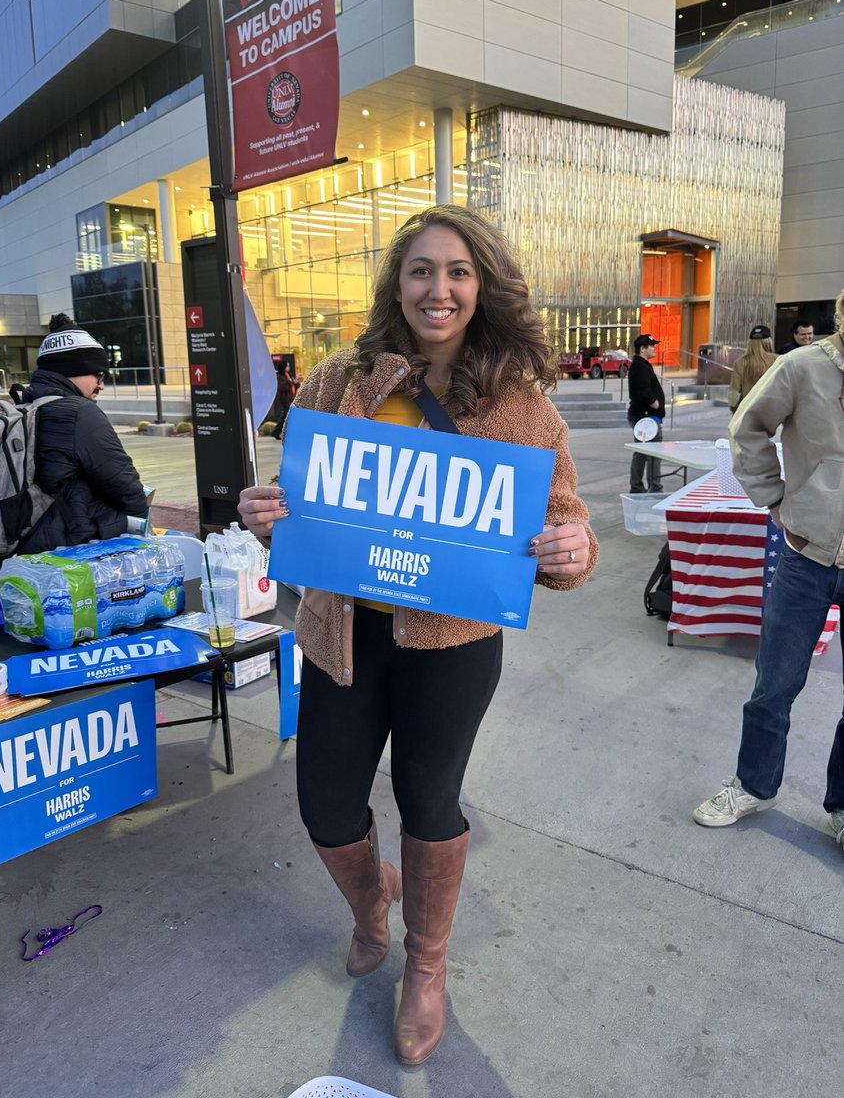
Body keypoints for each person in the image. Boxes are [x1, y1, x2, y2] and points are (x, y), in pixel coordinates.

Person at [237, 205, 597, 1065]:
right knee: (325, 805)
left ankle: (425, 965)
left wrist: (571, 550)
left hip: (453, 644)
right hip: (341, 635)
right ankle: (372, 908)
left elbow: (566, 530)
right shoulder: (334, 381)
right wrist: (264, 515)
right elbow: (295, 505)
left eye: (458, 272)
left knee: (429, 802)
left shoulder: (523, 407)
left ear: (483, 287)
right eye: (423, 271)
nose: (440, 289)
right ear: (397, 285)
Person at [692, 289, 844, 853]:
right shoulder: (803, 367)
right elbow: (748, 427)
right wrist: (773, 495)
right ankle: (754, 785)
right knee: (774, 685)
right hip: (807, 555)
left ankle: (843, 805)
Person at [0, 314, 149, 570]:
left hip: (14, 557)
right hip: (67, 560)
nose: (101, 385)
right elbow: (131, 495)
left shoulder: (22, 408)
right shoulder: (79, 413)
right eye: (99, 375)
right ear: (74, 370)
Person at [627, 333, 665, 494]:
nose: (654, 349)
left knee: (643, 453)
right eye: (651, 346)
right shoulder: (640, 366)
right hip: (646, 418)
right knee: (652, 453)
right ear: (642, 349)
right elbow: (643, 391)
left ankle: (638, 486)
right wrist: (654, 403)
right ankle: (654, 487)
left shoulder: (641, 365)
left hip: (645, 417)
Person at [727, 325, 777, 413]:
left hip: (747, 410)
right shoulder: (777, 360)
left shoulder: (740, 363)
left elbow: (734, 392)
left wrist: (733, 409)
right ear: (769, 341)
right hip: (771, 410)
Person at [271, 360, 295, 439]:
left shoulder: (288, 375)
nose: (288, 368)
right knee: (286, 415)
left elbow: (294, 385)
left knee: (286, 415)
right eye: (287, 366)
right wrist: (290, 383)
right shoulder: (279, 376)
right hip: (285, 399)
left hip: (291, 397)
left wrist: (295, 382)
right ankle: (277, 431)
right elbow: (282, 387)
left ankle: (277, 432)